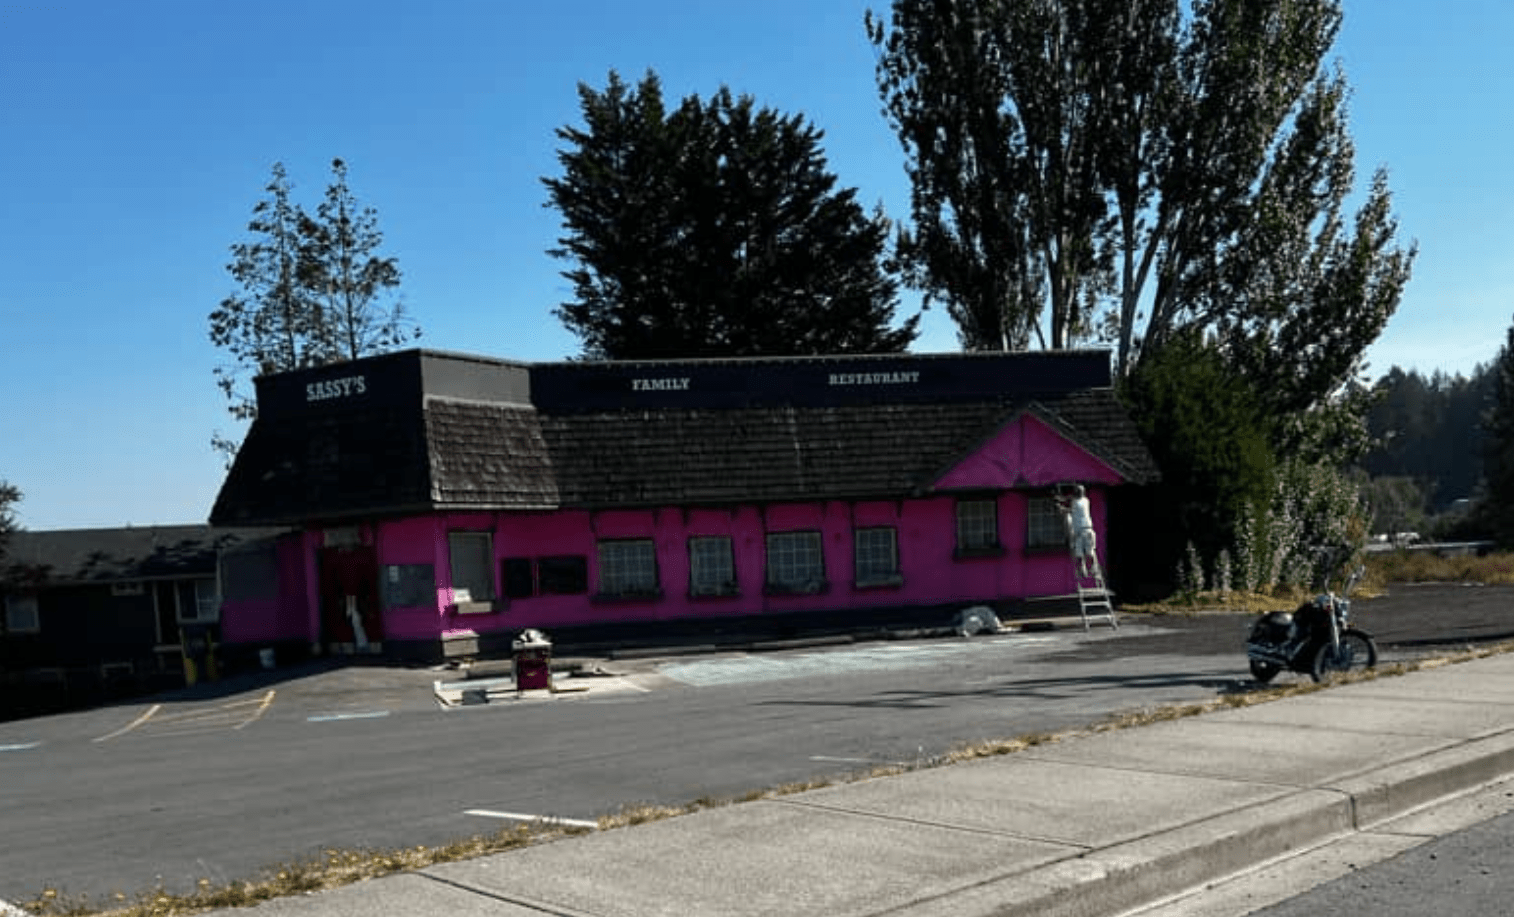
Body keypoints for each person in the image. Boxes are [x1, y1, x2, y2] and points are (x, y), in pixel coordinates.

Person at [1058, 485, 1098, 577]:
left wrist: (1061, 507)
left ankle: (1086, 570)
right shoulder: (1086, 500)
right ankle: (1090, 569)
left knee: (1083, 553)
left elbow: (1069, 509)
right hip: (1085, 530)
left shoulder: (1076, 502)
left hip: (1082, 530)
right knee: (1086, 552)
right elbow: (1070, 502)